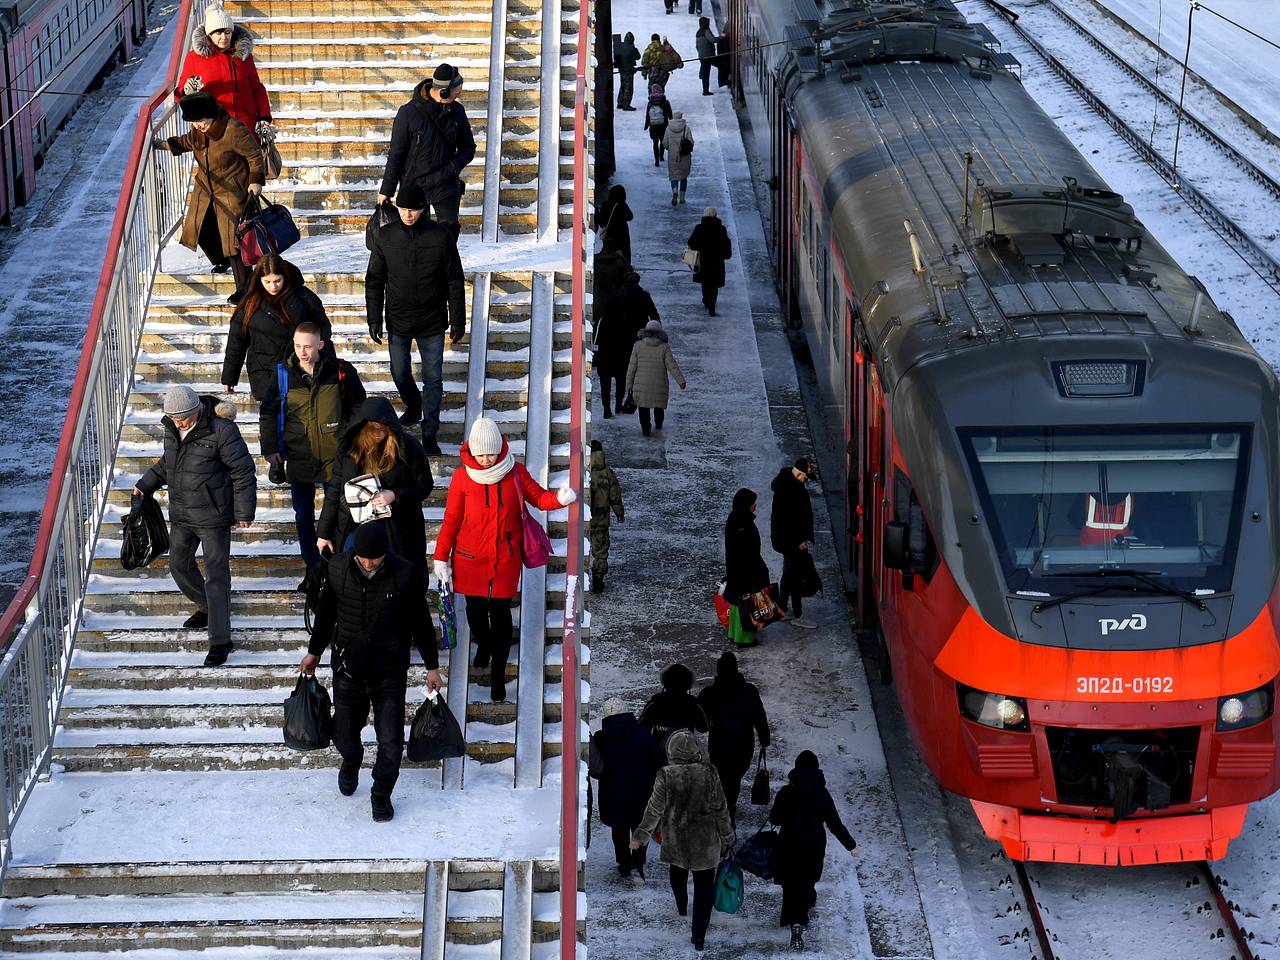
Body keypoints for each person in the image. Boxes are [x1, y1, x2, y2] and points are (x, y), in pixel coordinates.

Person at [301, 522, 443, 823]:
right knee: (342, 733)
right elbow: (326, 614)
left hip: (388, 672)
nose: (368, 564)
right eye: (363, 558)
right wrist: (314, 651)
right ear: (354, 554)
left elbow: (420, 623)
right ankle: (351, 760)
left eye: (374, 559)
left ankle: (381, 794)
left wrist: (432, 666)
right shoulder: (338, 568)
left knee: (391, 742)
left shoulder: (404, 573)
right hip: (347, 668)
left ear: (385, 555)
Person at [433, 417, 576, 702]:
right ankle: (483, 646)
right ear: (471, 451)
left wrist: (560, 498)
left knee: (501, 617)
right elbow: (451, 520)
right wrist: (441, 557)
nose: (486, 460)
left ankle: (497, 674)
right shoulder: (462, 478)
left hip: (505, 560)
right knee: (475, 614)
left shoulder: (515, 473)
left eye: (490, 453)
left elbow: (538, 498)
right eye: (480, 453)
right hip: (469, 559)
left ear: (500, 449)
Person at [133, 386, 256, 666]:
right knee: (178, 565)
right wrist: (145, 485)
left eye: (184, 419)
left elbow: (243, 470)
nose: (179, 424)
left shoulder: (221, 430)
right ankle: (207, 607)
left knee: (216, 578)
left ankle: (220, 641)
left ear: (197, 411)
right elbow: (170, 464)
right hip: (182, 515)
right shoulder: (172, 429)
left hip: (213, 517)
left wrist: (244, 510)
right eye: (175, 420)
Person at [365, 182, 467, 456]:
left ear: (424, 209)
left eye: (413, 210)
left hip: (432, 319)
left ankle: (430, 431)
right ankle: (413, 403)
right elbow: (374, 279)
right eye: (403, 209)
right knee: (399, 371)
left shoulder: (440, 236)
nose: (408, 215)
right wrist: (373, 318)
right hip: (398, 318)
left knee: (433, 378)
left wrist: (458, 319)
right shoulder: (386, 236)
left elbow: (454, 279)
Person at [259, 322, 367, 570]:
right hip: (299, 453)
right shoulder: (282, 374)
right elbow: (267, 411)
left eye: (307, 346)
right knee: (304, 517)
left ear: (320, 344)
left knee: (341, 514)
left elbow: (359, 406)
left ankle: (338, 563)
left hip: (336, 454)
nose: (302, 352)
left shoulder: (340, 370)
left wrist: (347, 437)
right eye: (298, 346)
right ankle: (313, 565)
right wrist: (270, 448)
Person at [630, 730, 734, 953]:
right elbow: (720, 808)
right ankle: (699, 936)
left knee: (677, 873)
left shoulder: (666, 774)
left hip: (676, 839)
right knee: (704, 887)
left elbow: (654, 809)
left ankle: (681, 906)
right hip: (705, 842)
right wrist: (727, 836)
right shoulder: (710, 773)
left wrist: (640, 836)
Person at [154, 92, 263, 305]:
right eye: (194, 122)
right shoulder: (198, 132)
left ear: (211, 115)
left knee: (234, 240)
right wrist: (161, 144)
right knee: (200, 229)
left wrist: (255, 181)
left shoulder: (233, 129)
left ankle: (245, 288)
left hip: (232, 190)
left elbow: (254, 155)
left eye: (201, 121)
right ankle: (223, 259)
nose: (198, 126)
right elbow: (187, 142)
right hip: (206, 190)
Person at [315, 397, 434, 588]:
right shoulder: (349, 450)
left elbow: (425, 485)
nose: (378, 434)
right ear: (362, 427)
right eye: (373, 429)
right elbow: (335, 492)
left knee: (395, 583)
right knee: (352, 582)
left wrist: (394, 494)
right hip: (354, 526)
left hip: (397, 528)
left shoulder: (408, 447)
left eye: (382, 429)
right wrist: (323, 533)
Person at [769, 751, 858, 951]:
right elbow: (835, 823)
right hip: (814, 845)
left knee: (791, 882)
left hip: (788, 844)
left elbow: (775, 819)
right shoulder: (822, 794)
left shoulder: (786, 792)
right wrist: (850, 845)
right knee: (807, 880)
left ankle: (792, 919)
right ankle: (802, 913)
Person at [377, 62, 476, 235]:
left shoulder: (457, 111)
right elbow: (396, 155)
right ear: (444, 91)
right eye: (457, 91)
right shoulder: (408, 113)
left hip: (445, 185)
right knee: (417, 238)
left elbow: (468, 148)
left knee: (449, 235)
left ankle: (444, 263)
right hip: (415, 185)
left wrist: (453, 168)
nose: (459, 94)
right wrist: (387, 190)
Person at [222, 255, 332, 402]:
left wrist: (324, 362)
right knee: (270, 418)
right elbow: (237, 341)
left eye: (277, 281)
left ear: (285, 277)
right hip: (264, 371)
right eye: (267, 282)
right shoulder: (249, 302)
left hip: (300, 368)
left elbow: (323, 330)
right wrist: (230, 376)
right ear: (259, 280)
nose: (273, 287)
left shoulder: (303, 297)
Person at [589, 697, 665, 878]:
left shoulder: (601, 738)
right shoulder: (644, 734)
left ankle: (624, 862)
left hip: (613, 793)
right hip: (641, 791)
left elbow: (597, 766)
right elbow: (659, 761)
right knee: (640, 826)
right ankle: (638, 859)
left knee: (619, 829)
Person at [175, 5, 272, 144]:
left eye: (227, 32)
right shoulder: (194, 58)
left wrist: (264, 116)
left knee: (253, 164)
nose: (223, 37)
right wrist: (186, 91)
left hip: (245, 126)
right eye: (218, 33)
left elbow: (257, 88)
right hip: (214, 130)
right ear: (209, 35)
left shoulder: (243, 56)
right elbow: (180, 94)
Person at [697, 651, 770, 825]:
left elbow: (700, 723)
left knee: (721, 777)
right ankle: (729, 811)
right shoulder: (750, 691)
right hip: (743, 744)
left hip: (719, 744)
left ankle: (724, 813)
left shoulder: (709, 693)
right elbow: (759, 716)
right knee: (734, 779)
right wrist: (764, 738)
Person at [593, 270, 658, 417]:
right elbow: (654, 315)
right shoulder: (643, 297)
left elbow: (596, 337)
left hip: (606, 353)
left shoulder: (609, 311)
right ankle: (618, 405)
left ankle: (606, 409)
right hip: (625, 346)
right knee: (622, 377)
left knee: (605, 382)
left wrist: (596, 353)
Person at [772, 458, 818, 629]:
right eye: (806, 478)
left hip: (786, 541)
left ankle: (783, 607)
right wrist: (799, 542)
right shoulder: (790, 491)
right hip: (791, 542)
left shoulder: (787, 486)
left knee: (788, 572)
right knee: (796, 576)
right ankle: (798, 615)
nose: (807, 481)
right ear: (799, 474)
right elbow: (790, 522)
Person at [725, 488, 770, 647]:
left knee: (736, 602)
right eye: (753, 503)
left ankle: (733, 633)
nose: (755, 506)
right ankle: (744, 638)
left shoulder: (734, 518)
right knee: (746, 603)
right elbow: (750, 552)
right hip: (745, 571)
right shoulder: (744, 523)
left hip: (735, 570)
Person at [625, 320, 687, 437]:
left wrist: (629, 386)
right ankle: (658, 425)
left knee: (643, 408)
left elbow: (631, 368)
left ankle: (646, 430)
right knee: (658, 406)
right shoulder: (664, 347)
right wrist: (681, 381)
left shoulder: (638, 345)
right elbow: (672, 365)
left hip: (641, 385)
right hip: (659, 384)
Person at [638, 663, 708, 746]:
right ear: (688, 684)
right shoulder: (693, 704)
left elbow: (640, 728)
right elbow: (703, 728)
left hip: (659, 753)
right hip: (686, 752)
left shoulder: (655, 703)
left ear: (665, 682)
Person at [588, 440, 624, 593]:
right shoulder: (608, 472)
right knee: (601, 550)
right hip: (601, 518)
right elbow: (615, 496)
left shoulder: (584, 473)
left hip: (585, 516)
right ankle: (598, 578)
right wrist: (619, 513)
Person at [687, 207, 731, 315]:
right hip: (717, 261)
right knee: (714, 284)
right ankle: (712, 305)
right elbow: (726, 243)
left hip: (702, 260)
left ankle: (706, 300)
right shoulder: (721, 229)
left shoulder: (699, 228)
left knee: (705, 282)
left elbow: (691, 242)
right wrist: (726, 254)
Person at [592, 239, 633, 325]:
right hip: (615, 296)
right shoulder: (619, 261)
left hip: (598, 296)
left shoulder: (595, 260)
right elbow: (629, 273)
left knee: (598, 322)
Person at [662, 112, 693, 206]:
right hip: (684, 156)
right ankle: (682, 198)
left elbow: (665, 143)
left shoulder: (668, 129)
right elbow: (691, 142)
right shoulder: (686, 128)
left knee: (674, 176)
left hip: (673, 157)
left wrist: (670, 148)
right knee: (683, 177)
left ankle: (675, 191)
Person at [597, 183, 634, 263]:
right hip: (622, 236)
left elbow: (601, 222)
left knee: (610, 254)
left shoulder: (605, 205)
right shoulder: (622, 205)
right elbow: (630, 217)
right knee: (624, 257)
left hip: (610, 235)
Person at [643, 83, 673, 167]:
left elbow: (647, 115)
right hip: (663, 125)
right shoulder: (665, 102)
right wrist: (671, 122)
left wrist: (646, 125)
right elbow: (669, 114)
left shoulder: (650, 103)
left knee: (655, 142)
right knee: (662, 140)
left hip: (653, 125)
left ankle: (656, 160)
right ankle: (661, 156)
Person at [616, 32, 640, 110]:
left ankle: (620, 103)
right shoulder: (631, 48)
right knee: (628, 88)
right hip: (628, 70)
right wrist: (635, 49)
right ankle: (626, 105)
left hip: (621, 69)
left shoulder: (620, 45)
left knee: (622, 86)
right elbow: (638, 57)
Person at [695, 19, 719, 95]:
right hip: (709, 55)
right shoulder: (706, 31)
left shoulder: (698, 32)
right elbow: (712, 40)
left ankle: (705, 89)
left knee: (705, 72)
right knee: (722, 64)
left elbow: (697, 46)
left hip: (702, 56)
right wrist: (721, 37)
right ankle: (706, 90)